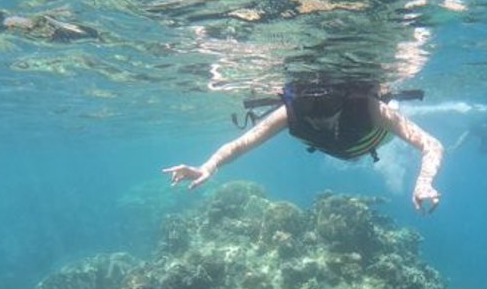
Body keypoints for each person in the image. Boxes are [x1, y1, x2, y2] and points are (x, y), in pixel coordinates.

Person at [163, 82, 444, 212]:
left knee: (391, 109)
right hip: (346, 144)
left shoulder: (368, 108)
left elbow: (431, 144)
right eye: (308, 105)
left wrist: (424, 181)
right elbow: (240, 144)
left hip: (370, 140)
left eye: (327, 104)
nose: (317, 114)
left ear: (341, 97)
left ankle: (392, 103)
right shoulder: (290, 113)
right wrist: (208, 166)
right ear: (297, 100)